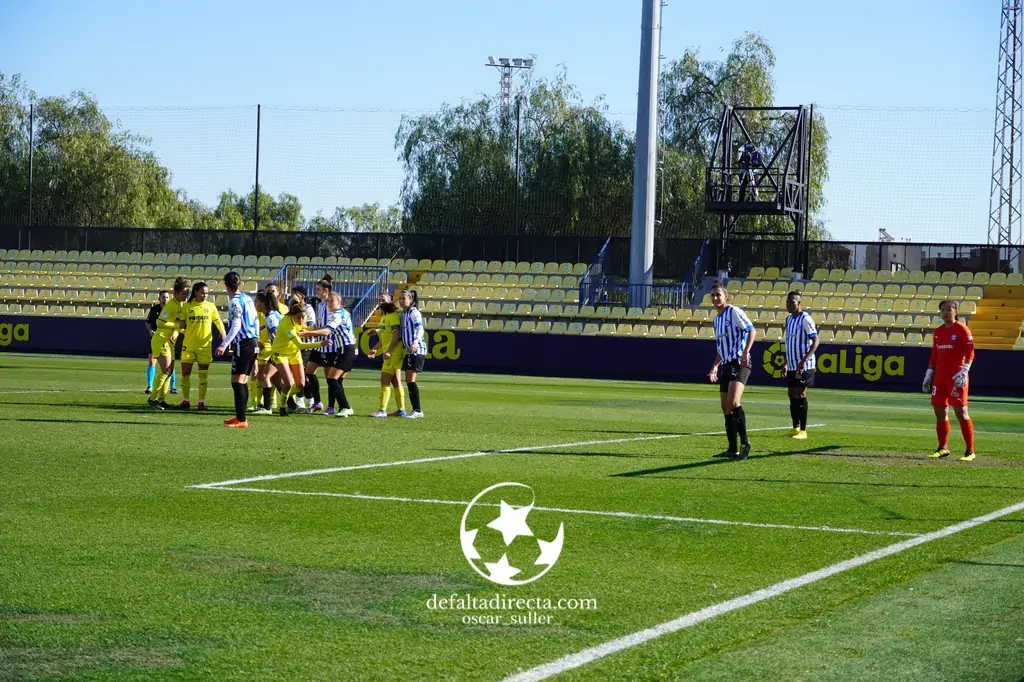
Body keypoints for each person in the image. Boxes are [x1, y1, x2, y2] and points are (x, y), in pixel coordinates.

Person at [707, 280, 756, 459]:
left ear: (725, 296)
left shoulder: (733, 312)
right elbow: (721, 347)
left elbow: (751, 330)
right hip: (727, 363)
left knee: (734, 401)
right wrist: (715, 366)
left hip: (740, 362)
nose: (715, 298)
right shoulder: (717, 319)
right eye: (712, 295)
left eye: (718, 294)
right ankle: (732, 448)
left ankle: (745, 444)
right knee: (725, 406)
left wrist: (745, 353)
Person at [923, 299, 976, 461]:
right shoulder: (938, 331)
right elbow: (934, 354)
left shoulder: (962, 329)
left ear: (956, 311)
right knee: (940, 412)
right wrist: (929, 374)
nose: (945, 313)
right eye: (942, 310)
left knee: (961, 412)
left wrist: (965, 370)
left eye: (949, 309)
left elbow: (970, 352)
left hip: (956, 376)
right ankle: (942, 448)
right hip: (940, 377)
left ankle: (970, 451)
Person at [214, 272, 260, 428]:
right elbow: (256, 321)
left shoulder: (234, 301)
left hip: (244, 343)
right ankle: (241, 417)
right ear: (240, 284)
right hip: (253, 341)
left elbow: (236, 325)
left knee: (237, 381)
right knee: (243, 380)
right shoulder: (247, 298)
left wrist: (224, 344)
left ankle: (241, 419)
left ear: (226, 285)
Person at [268, 299, 326, 417]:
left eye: (303, 317)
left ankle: (288, 396)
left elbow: (306, 329)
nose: (301, 320)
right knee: (289, 383)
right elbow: (300, 344)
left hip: (294, 353)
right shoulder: (286, 324)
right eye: (298, 317)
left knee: (300, 384)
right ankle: (283, 406)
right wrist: (320, 343)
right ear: (292, 315)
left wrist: (309, 331)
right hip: (280, 353)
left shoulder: (300, 322)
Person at [176, 281, 226, 410]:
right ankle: (186, 401)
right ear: (195, 292)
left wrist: (222, 332)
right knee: (185, 374)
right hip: (189, 345)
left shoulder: (210, 306)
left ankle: (201, 402)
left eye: (207, 293)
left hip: (205, 346)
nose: (205, 295)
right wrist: (184, 332)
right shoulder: (186, 307)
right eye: (202, 293)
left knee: (203, 375)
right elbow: (181, 325)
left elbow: (217, 321)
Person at [781, 291, 819, 439]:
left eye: (791, 302)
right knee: (791, 393)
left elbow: (816, 341)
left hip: (804, 365)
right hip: (791, 364)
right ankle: (795, 427)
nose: (788, 305)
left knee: (800, 393)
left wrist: (804, 360)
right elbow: (789, 343)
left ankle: (803, 430)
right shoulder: (789, 319)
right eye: (787, 302)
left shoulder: (805, 319)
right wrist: (785, 363)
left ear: (799, 303)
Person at [148, 277, 189, 410]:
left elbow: (178, 327)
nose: (185, 296)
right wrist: (178, 325)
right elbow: (160, 322)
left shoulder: (181, 305)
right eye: (183, 293)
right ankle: (152, 398)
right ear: (176, 293)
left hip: (169, 341)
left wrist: (176, 333)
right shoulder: (170, 305)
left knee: (169, 371)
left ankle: (161, 399)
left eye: (186, 293)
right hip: (160, 339)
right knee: (165, 370)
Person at [367, 291, 407, 418]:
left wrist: (389, 350)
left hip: (394, 352)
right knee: (396, 381)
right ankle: (401, 410)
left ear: (390, 300)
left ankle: (382, 410)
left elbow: (396, 335)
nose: (381, 302)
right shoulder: (384, 317)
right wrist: (375, 349)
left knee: (384, 380)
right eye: (379, 300)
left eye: (383, 300)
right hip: (390, 352)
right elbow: (384, 338)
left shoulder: (394, 316)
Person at [320, 291, 357, 417]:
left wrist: (306, 334)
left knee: (331, 379)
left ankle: (346, 407)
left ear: (339, 302)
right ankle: (342, 408)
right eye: (328, 301)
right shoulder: (342, 313)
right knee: (338, 380)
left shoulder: (338, 314)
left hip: (346, 350)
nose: (329, 304)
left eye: (332, 301)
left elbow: (326, 331)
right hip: (346, 349)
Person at [302, 278, 334, 414]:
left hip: (329, 346)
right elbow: (316, 325)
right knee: (308, 372)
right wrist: (306, 331)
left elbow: (328, 327)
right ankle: (317, 402)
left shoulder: (331, 306)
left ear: (326, 291)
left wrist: (310, 333)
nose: (316, 292)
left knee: (330, 377)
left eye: (318, 290)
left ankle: (331, 406)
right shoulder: (320, 305)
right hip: (318, 345)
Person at [398, 289, 428, 419]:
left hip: (417, 349)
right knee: (409, 380)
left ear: (410, 299)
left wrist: (416, 341)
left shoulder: (413, 312)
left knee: (410, 380)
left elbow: (420, 328)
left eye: (404, 298)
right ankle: (416, 410)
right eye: (400, 298)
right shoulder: (403, 313)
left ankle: (417, 410)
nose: (401, 300)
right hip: (409, 350)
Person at [252, 290, 283, 415]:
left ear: (263, 303)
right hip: (281, 350)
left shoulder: (270, 317)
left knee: (264, 376)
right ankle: (291, 404)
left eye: (257, 301)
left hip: (279, 351)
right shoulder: (272, 314)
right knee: (276, 380)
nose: (255, 304)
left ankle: (267, 408)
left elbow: (277, 333)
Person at [291, 285, 318, 410]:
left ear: (302, 296)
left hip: (306, 344)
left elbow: (311, 327)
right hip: (295, 344)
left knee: (302, 372)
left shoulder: (308, 309)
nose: (293, 296)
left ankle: (303, 401)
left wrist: (303, 331)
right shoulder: (291, 309)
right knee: (298, 373)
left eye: (296, 293)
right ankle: (310, 401)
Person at [145, 290, 171, 394]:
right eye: (163, 297)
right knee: (152, 361)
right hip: (155, 339)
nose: (165, 299)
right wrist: (150, 331)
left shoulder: (171, 309)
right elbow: (147, 322)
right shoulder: (154, 309)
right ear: (159, 298)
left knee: (168, 364)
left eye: (167, 297)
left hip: (167, 340)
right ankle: (150, 386)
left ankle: (172, 387)